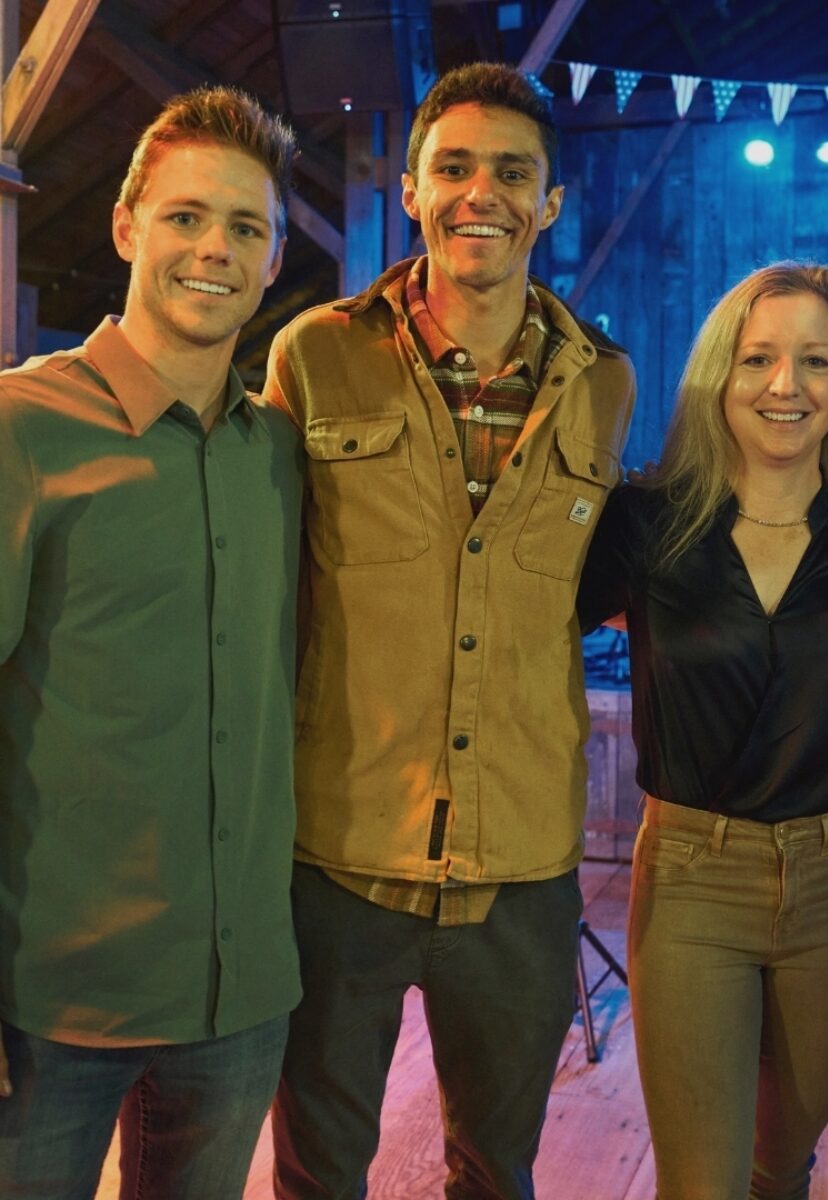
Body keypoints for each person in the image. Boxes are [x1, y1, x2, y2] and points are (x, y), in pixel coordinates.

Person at [264, 62, 636, 1199]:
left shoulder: (605, 382)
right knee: (319, 1171)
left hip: (521, 868)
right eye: (456, 168)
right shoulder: (314, 354)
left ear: (550, 203)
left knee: (496, 1169)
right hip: (342, 856)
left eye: (513, 173)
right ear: (413, 190)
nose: (484, 193)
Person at [0, 87, 301, 1197]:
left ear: (273, 260)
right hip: (52, 1007)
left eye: (246, 227)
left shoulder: (282, 453)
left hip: (239, 1000)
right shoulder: (21, 428)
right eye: (185, 217)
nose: (214, 248)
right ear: (127, 227)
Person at [579, 262, 828, 1199]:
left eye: (816, 361)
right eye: (757, 358)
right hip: (692, 879)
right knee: (702, 1185)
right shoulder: (646, 524)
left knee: (784, 1167)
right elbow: (516, 628)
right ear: (718, 376)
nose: (785, 384)